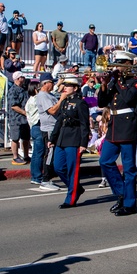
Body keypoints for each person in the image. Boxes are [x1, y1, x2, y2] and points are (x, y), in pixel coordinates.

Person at [98, 51, 137, 216]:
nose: (117, 66)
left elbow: (128, 98)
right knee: (105, 161)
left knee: (129, 168)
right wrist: (104, 84)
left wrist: (117, 80)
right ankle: (121, 193)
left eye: (121, 63)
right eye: (116, 63)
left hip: (127, 126)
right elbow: (102, 102)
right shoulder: (114, 82)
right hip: (113, 126)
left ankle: (130, 204)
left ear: (129, 64)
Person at [50, 75, 90, 208]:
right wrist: (53, 138)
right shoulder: (64, 102)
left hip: (74, 139)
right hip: (62, 138)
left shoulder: (80, 103)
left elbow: (85, 124)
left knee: (73, 170)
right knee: (58, 167)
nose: (64, 88)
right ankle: (76, 188)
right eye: (64, 85)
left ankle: (70, 199)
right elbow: (59, 121)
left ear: (75, 88)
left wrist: (83, 143)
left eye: (68, 86)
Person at [36, 73, 61, 190]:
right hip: (49, 129)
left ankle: (49, 177)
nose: (53, 84)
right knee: (49, 154)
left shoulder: (49, 95)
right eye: (52, 82)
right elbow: (52, 110)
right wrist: (61, 100)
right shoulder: (43, 96)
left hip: (54, 127)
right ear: (45, 83)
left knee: (53, 153)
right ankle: (45, 179)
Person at [7, 71, 31, 165]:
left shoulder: (24, 89)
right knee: (15, 138)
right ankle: (15, 157)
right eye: (22, 77)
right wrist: (24, 112)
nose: (23, 79)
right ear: (17, 78)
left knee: (26, 138)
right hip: (15, 118)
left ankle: (26, 155)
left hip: (24, 119)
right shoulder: (13, 90)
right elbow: (13, 105)